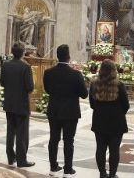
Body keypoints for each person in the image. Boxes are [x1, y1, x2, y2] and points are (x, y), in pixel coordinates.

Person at [44, 44, 88, 177]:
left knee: (53, 139)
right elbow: (84, 94)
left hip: (54, 110)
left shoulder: (48, 72)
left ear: (58, 56)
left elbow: (47, 90)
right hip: (70, 112)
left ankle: (53, 167)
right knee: (69, 140)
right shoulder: (76, 74)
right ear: (69, 56)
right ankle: (68, 169)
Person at [89, 59, 129, 178]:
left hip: (100, 120)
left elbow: (92, 104)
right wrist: (118, 112)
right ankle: (112, 174)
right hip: (116, 121)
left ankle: (102, 173)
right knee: (114, 150)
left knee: (100, 148)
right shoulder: (119, 84)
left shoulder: (94, 84)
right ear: (113, 71)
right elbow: (126, 105)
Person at [0, 41, 35, 168]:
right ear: (23, 52)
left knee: (10, 132)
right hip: (21, 105)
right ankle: (21, 160)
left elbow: (2, 83)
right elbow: (30, 87)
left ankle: (10, 158)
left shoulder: (6, 65)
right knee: (22, 134)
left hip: (9, 103)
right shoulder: (25, 66)